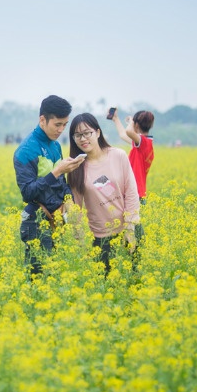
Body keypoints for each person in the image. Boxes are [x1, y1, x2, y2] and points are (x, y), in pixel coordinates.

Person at [13, 95, 85, 276]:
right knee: (40, 279)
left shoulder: (55, 146)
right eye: (57, 124)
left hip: (55, 220)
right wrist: (57, 172)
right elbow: (27, 192)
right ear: (42, 120)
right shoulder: (25, 151)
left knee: (54, 275)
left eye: (64, 125)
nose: (61, 130)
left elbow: (60, 184)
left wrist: (69, 202)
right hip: (36, 223)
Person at [67, 113, 140, 275]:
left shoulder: (118, 155)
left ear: (98, 132)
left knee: (134, 281)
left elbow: (131, 192)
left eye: (87, 133)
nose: (83, 138)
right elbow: (75, 209)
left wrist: (130, 227)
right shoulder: (75, 169)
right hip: (101, 238)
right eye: (77, 135)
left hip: (128, 231)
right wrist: (80, 241)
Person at [111, 108, 155, 242]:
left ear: (136, 125)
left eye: (134, 123)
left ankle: (137, 257)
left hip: (135, 193)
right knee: (131, 226)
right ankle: (134, 255)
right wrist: (116, 119)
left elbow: (129, 132)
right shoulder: (143, 144)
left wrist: (130, 120)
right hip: (136, 192)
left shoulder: (144, 143)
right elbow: (124, 134)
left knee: (134, 228)